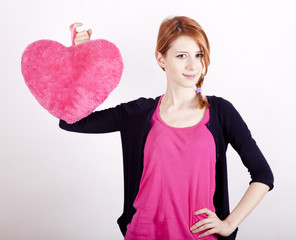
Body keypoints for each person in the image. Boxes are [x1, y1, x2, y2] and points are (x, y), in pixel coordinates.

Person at [59, 16, 274, 240]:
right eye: (182, 56)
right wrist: (80, 62)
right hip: (142, 234)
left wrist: (229, 224)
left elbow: (263, 175)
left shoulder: (221, 112)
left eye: (198, 55)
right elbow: (71, 121)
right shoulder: (139, 113)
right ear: (161, 59)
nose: (193, 65)